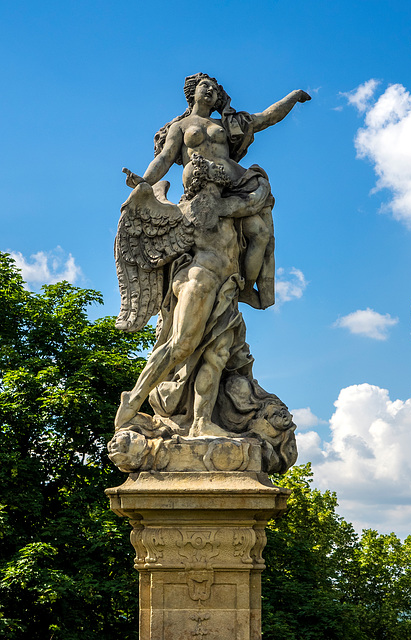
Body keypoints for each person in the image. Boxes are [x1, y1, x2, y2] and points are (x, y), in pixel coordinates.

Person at [114, 74, 310, 437]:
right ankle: (133, 404)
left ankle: (203, 421)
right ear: (193, 92)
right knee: (182, 344)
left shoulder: (227, 128)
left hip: (228, 248)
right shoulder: (182, 132)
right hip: (203, 263)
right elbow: (163, 160)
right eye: (206, 85)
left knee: (260, 233)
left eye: (216, 87)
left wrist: (293, 98)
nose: (212, 90)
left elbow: (266, 118)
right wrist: (143, 182)